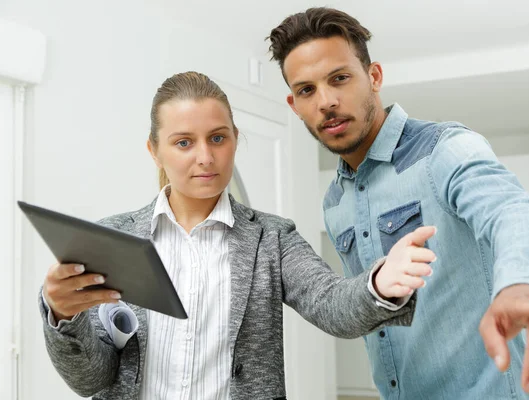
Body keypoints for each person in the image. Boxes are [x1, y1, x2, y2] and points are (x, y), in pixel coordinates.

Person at [38, 71, 438, 400]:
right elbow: (90, 380)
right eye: (183, 142)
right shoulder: (113, 238)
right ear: (154, 151)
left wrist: (380, 285)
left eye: (217, 137)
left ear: (234, 139)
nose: (205, 157)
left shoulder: (272, 238)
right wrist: (62, 314)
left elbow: (332, 305)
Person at [267, 8, 529, 400]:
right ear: (293, 103)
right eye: (306, 90)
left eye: (339, 79)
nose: (326, 101)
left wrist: (524, 280)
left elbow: (513, 210)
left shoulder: (444, 150)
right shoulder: (335, 202)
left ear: (374, 77)